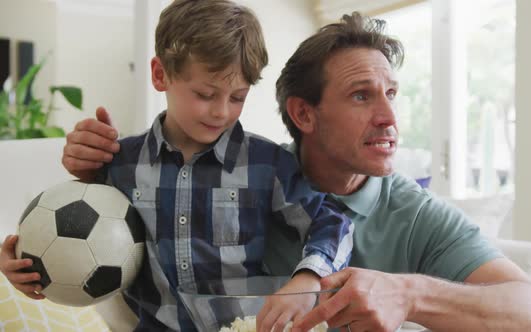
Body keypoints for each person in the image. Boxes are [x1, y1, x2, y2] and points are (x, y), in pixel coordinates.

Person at [51, 12, 531, 332]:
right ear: (303, 114)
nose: (390, 118)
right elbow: (118, 229)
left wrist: (409, 294)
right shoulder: (251, 175)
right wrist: (89, 166)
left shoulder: (413, 214)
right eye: (362, 96)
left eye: (392, 94)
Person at [0, 1, 354, 331]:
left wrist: (309, 278)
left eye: (238, 97)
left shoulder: (267, 164)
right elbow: (64, 237)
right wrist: (21, 264)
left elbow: (332, 221)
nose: (221, 112)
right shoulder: (118, 164)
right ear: (160, 74)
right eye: (204, 94)